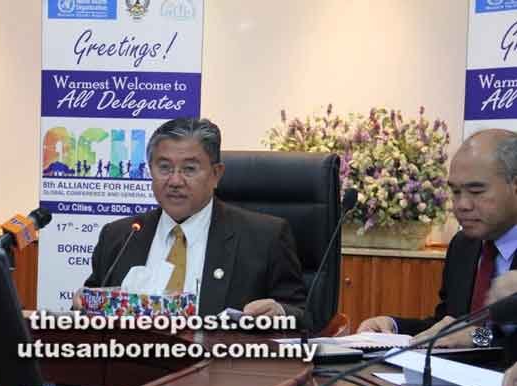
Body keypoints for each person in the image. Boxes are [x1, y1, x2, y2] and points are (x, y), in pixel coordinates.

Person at [74, 117, 307, 319]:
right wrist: (81, 308)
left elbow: (304, 315)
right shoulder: (120, 236)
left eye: (189, 169)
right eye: (164, 167)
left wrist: (280, 313)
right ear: (150, 170)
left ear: (216, 175)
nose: (175, 181)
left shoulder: (264, 238)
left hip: (223, 366)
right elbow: (85, 313)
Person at [357, 129, 517, 347]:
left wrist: (480, 339)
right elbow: (446, 328)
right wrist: (393, 327)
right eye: (456, 192)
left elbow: (483, 339)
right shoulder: (464, 245)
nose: (462, 205)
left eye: (476, 191)